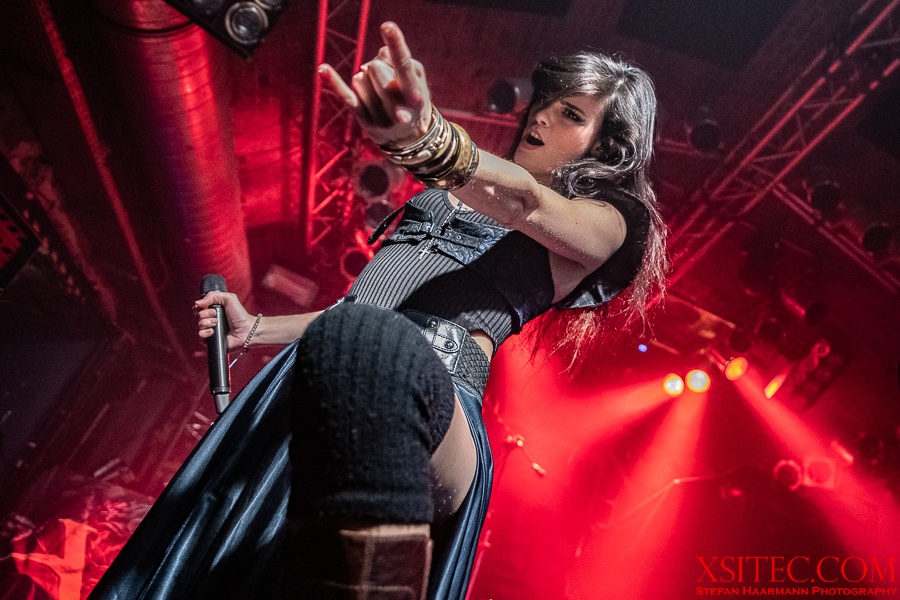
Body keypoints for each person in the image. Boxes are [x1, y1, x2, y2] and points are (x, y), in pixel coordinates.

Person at [88, 21, 666, 600]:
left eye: (571, 115)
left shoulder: (608, 223)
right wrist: (257, 327)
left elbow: (525, 201)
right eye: (545, 103)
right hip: (330, 362)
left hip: (434, 388)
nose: (540, 116)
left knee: (376, 347)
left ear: (605, 148)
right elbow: (361, 311)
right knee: (224, 553)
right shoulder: (454, 191)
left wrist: (427, 138)